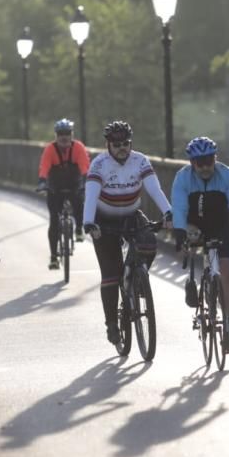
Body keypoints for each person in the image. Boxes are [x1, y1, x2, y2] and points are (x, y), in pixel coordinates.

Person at [83, 121, 172, 345]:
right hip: (104, 219)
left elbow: (155, 189)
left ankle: (136, 281)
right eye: (116, 144)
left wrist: (169, 212)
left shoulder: (140, 161)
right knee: (111, 275)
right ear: (108, 145)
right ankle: (112, 324)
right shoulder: (99, 164)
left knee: (150, 244)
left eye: (126, 143)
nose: (122, 148)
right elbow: (91, 196)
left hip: (131, 214)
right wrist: (88, 222)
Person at [170, 136, 229, 354]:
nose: (206, 167)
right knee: (194, 242)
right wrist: (180, 235)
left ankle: (228, 329)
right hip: (193, 224)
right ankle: (196, 285)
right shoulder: (183, 178)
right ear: (192, 163)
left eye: (209, 161)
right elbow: (178, 208)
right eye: (200, 163)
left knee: (226, 273)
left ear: (215, 159)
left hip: (220, 225)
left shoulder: (226, 174)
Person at [37, 118, 91, 269]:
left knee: (79, 200)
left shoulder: (78, 147)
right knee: (54, 220)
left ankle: (79, 227)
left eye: (67, 133)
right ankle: (54, 257)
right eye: (61, 133)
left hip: (74, 184)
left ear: (72, 134)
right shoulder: (50, 149)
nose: (64, 137)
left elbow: (84, 165)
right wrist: (42, 181)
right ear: (56, 135)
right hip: (55, 187)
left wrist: (87, 181)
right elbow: (44, 166)